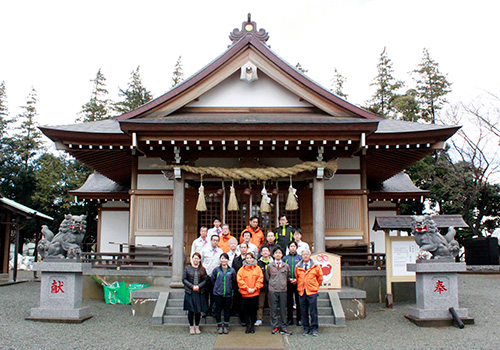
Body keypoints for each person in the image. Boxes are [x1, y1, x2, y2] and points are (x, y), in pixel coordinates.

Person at [295, 249, 323, 337]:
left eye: (307, 254)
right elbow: (297, 277)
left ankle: (314, 328)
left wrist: (315, 287)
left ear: (310, 255)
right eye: (304, 254)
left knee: (313, 311)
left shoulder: (315, 266)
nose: (305, 256)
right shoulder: (298, 266)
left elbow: (320, 278)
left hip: (312, 291)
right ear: (301, 256)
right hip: (302, 291)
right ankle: (306, 328)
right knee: (303, 311)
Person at [266, 246, 292, 335]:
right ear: (273, 255)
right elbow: (267, 277)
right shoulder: (270, 266)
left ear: (282, 255)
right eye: (276, 253)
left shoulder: (286, 266)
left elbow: (288, 276)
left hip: (283, 290)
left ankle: (283, 326)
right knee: (273, 309)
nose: (278, 254)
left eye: (279, 253)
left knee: (283, 309)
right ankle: (275, 326)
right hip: (273, 290)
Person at [237, 252, 264, 334]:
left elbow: (260, 279)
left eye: (250, 258)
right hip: (245, 293)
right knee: (246, 310)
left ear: (253, 259)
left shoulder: (257, 268)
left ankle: (252, 326)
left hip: (254, 293)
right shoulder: (242, 269)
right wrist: (247, 288)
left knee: (253, 310)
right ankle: (247, 326)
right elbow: (239, 280)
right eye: (247, 258)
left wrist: (255, 288)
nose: (249, 260)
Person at [183, 252, 208, 335]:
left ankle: (197, 326)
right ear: (192, 259)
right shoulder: (187, 268)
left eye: (197, 258)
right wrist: (192, 286)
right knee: (191, 310)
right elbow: (184, 279)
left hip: (199, 292)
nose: (196, 260)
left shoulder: (202, 269)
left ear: (200, 260)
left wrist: (199, 286)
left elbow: (205, 280)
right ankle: (191, 326)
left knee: (198, 311)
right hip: (190, 292)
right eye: (194, 258)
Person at [212, 253, 236, 334]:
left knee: (227, 310)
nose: (224, 260)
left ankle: (226, 325)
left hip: (228, 294)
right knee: (218, 310)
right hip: (218, 293)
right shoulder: (216, 270)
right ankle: (219, 325)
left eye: (225, 258)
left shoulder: (232, 270)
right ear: (220, 259)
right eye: (222, 258)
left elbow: (233, 281)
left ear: (228, 260)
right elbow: (213, 280)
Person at [201, 234, 223, 316]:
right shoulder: (205, 250)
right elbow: (202, 261)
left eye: (217, 240)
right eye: (214, 240)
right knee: (205, 293)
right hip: (206, 275)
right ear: (210, 240)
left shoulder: (220, 251)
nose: (215, 242)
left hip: (216, 276)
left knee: (214, 294)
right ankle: (205, 310)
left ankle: (213, 310)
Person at [283, 241, 302, 326]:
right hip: (288, 282)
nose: (292, 248)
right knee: (289, 302)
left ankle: (299, 319)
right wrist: (288, 279)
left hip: (298, 282)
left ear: (296, 247)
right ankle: (289, 319)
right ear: (288, 248)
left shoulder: (300, 258)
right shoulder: (285, 258)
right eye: (291, 246)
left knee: (299, 301)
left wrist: (297, 279)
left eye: (294, 246)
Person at [256, 245, 273, 326]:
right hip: (261, 286)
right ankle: (259, 319)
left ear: (269, 252)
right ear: (261, 253)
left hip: (271, 286)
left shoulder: (273, 262)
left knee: (272, 304)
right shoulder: (258, 263)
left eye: (267, 251)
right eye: (264, 251)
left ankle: (272, 319)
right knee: (260, 304)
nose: (265, 252)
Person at [232, 242, 247, 326]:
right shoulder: (236, 260)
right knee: (239, 302)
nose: (243, 249)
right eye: (242, 247)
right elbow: (234, 272)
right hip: (238, 284)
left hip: (248, 284)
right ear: (239, 249)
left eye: (245, 247)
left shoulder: (250, 259)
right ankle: (241, 318)